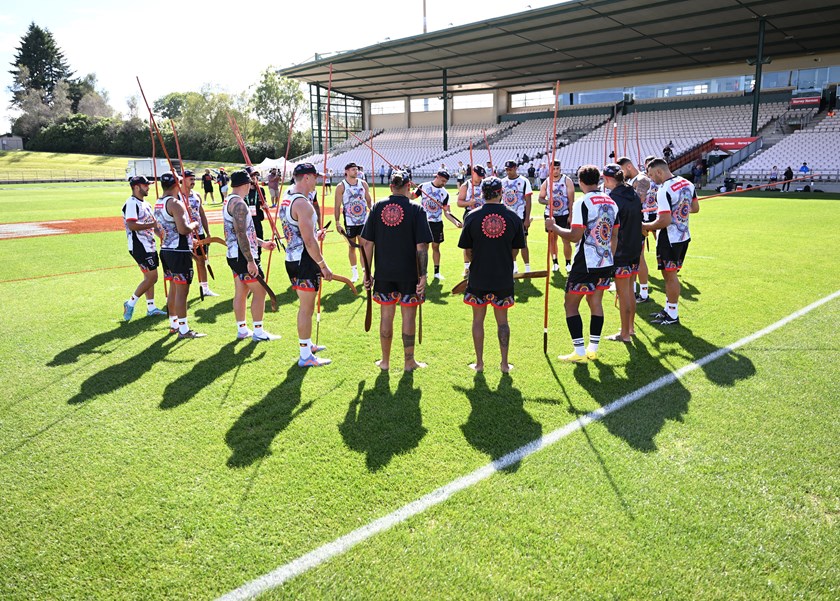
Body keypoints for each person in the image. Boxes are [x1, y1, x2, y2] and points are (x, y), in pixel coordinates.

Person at [545, 165, 619, 362]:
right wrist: (608, 258)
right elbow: (614, 236)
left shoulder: (582, 203)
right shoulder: (611, 202)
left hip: (586, 260)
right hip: (605, 260)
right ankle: (592, 348)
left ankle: (579, 351)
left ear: (581, 181)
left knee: (570, 304)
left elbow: (575, 235)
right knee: (595, 302)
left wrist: (554, 227)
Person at [361, 170, 432, 372]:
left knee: (386, 317)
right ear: (408, 186)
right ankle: (409, 362)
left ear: (391, 186)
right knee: (408, 317)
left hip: (384, 273)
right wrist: (423, 274)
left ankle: (385, 361)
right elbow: (422, 247)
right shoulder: (416, 210)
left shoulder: (377, 208)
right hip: (409, 273)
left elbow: (367, 244)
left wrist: (367, 273)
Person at [458, 177, 525, 373]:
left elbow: (467, 250)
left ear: (482, 193)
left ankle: (479, 364)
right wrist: (506, 262)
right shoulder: (513, 217)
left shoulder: (471, 216)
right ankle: (504, 364)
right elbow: (516, 250)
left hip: (478, 275)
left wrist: (472, 265)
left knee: (477, 320)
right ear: (500, 192)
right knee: (502, 321)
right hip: (502, 276)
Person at [278, 163, 334, 367]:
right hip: (304, 260)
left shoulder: (287, 196)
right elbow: (309, 242)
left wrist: (314, 234)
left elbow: (298, 232)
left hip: (292, 257)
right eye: (316, 177)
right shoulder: (303, 203)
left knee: (305, 307)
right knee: (306, 309)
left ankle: (308, 345)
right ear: (307, 178)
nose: (317, 181)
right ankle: (305, 355)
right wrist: (323, 265)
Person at [223, 169, 279, 341]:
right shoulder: (239, 204)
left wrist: (261, 243)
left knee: (241, 291)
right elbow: (240, 234)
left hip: (235, 254)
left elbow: (244, 232)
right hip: (242, 256)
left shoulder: (229, 200)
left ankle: (242, 329)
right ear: (246, 185)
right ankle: (259, 331)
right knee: (260, 291)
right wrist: (251, 261)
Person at [644, 158, 699, 326]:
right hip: (684, 235)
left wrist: (644, 225)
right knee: (669, 274)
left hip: (669, 238)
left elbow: (664, 221)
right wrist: (680, 209)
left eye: (652, 175)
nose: (652, 179)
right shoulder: (687, 183)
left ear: (659, 172)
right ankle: (668, 309)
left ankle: (673, 315)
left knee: (670, 275)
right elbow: (695, 209)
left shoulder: (664, 189)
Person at [154, 172, 203, 338]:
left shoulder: (158, 203)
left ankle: (174, 324)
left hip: (166, 249)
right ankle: (183, 329)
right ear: (176, 184)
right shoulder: (175, 203)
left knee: (174, 288)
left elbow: (157, 228)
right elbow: (183, 229)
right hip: (179, 251)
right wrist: (194, 223)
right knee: (182, 292)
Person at [603, 164, 642, 342]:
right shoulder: (632, 193)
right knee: (630, 290)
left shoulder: (613, 199)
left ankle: (624, 333)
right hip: (635, 248)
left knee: (624, 293)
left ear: (609, 179)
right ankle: (630, 328)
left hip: (621, 251)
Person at [121, 176, 167, 321]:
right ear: (136, 187)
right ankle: (130, 303)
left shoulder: (146, 204)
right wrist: (152, 226)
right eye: (145, 185)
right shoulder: (131, 204)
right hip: (139, 246)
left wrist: (161, 235)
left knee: (149, 278)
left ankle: (151, 307)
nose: (148, 187)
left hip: (149, 244)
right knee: (152, 277)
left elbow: (153, 224)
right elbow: (132, 225)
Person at [413, 169, 462, 280]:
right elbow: (412, 196)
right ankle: (422, 271)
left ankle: (436, 272)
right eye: (443, 181)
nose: (444, 183)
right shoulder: (423, 186)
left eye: (445, 182)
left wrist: (455, 222)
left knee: (436, 247)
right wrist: (407, 186)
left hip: (437, 223)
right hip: (424, 222)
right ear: (438, 177)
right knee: (423, 247)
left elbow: (447, 212)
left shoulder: (445, 193)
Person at [334, 162, 372, 283]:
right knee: (352, 247)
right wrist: (337, 222)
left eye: (357, 170)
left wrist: (374, 213)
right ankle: (354, 272)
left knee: (363, 247)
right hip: (350, 221)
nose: (356, 171)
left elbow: (369, 201)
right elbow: (337, 205)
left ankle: (365, 272)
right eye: (353, 170)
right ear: (346, 171)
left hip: (363, 221)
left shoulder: (363, 184)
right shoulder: (341, 186)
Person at [625, 155, 656, 303]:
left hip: (639, 223)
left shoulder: (641, 179)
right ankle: (633, 290)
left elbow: (639, 199)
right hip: (632, 223)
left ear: (628, 167)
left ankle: (643, 293)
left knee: (639, 257)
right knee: (633, 258)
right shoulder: (632, 180)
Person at [184, 169, 218, 297]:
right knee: (186, 263)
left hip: (199, 233)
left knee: (202, 260)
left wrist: (208, 232)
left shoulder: (196, 195)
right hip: (185, 234)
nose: (193, 182)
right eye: (190, 179)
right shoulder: (178, 196)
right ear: (183, 180)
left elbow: (202, 214)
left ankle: (205, 288)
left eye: (194, 179)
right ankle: (181, 291)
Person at [538, 159, 575, 273]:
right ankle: (555, 262)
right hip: (550, 215)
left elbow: (571, 200)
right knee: (552, 240)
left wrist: (571, 215)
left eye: (558, 169)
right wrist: (548, 202)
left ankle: (568, 262)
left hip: (564, 214)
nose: (556, 171)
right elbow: (540, 198)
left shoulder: (566, 180)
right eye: (553, 169)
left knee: (566, 239)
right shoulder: (547, 182)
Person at [501, 159, 533, 274]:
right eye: (506, 170)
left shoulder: (524, 181)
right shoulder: (502, 182)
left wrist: (527, 218)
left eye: (510, 169)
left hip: (520, 216)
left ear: (515, 168)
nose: (508, 172)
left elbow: (528, 201)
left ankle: (527, 267)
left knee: (523, 242)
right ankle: (513, 266)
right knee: (509, 243)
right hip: (506, 217)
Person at [456, 165, 487, 277]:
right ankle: (467, 267)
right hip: (470, 214)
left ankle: (482, 264)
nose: (480, 178)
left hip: (484, 214)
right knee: (468, 242)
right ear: (473, 173)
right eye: (478, 175)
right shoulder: (466, 185)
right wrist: (469, 203)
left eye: (481, 176)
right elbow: (459, 202)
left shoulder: (485, 184)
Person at [243, 166, 268, 260]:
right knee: (247, 243)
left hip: (256, 221)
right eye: (251, 175)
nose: (254, 177)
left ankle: (258, 261)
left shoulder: (260, 190)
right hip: (245, 222)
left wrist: (265, 206)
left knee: (258, 243)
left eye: (255, 175)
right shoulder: (244, 190)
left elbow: (263, 202)